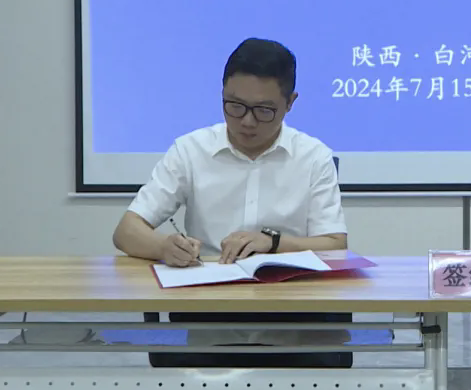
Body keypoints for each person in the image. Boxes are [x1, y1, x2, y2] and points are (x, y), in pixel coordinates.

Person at [113, 37, 352, 368]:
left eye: (264, 110)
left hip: (292, 316)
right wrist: (164, 247)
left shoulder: (313, 157)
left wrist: (273, 243)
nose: (247, 121)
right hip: (208, 313)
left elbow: (335, 246)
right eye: (235, 106)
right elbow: (126, 231)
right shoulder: (190, 150)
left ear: (290, 103)